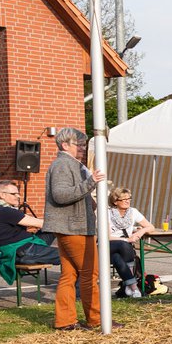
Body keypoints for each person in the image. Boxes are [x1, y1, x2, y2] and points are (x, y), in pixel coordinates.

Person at [42, 127, 107, 331]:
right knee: (90, 273)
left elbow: (69, 194)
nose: (82, 148)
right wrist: (91, 183)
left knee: (69, 275)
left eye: (83, 144)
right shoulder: (63, 164)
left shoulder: (70, 164)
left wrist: (91, 202)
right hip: (73, 227)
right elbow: (61, 195)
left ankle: (65, 321)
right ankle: (96, 319)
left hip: (71, 226)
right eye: (78, 144)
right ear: (64, 145)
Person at [0, 179, 59, 265]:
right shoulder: (5, 211)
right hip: (24, 249)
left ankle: (30, 258)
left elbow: (33, 221)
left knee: (52, 228)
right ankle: (28, 258)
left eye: (18, 193)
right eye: (14, 194)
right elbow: (41, 223)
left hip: (22, 247)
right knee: (69, 255)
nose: (18, 196)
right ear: (2, 195)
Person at [107, 187, 155, 299]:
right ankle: (133, 287)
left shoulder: (133, 212)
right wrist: (127, 239)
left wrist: (141, 231)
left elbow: (150, 227)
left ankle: (131, 286)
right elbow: (106, 237)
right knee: (124, 245)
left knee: (117, 258)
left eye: (129, 198)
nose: (127, 201)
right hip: (108, 245)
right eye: (123, 199)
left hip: (123, 251)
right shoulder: (107, 213)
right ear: (115, 202)